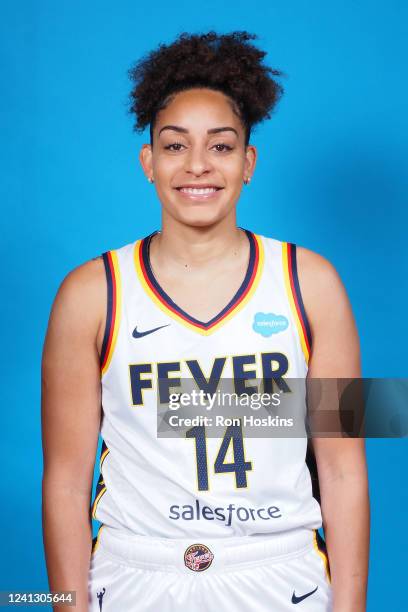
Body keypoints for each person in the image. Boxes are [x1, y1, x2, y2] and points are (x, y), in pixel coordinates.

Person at [41, 31, 369, 612]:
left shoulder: (313, 284)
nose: (197, 165)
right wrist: (68, 605)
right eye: (174, 146)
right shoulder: (90, 294)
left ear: (249, 162)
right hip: (136, 572)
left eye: (220, 147)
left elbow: (343, 470)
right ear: (148, 162)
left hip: (278, 574)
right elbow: (66, 482)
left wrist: (350, 607)